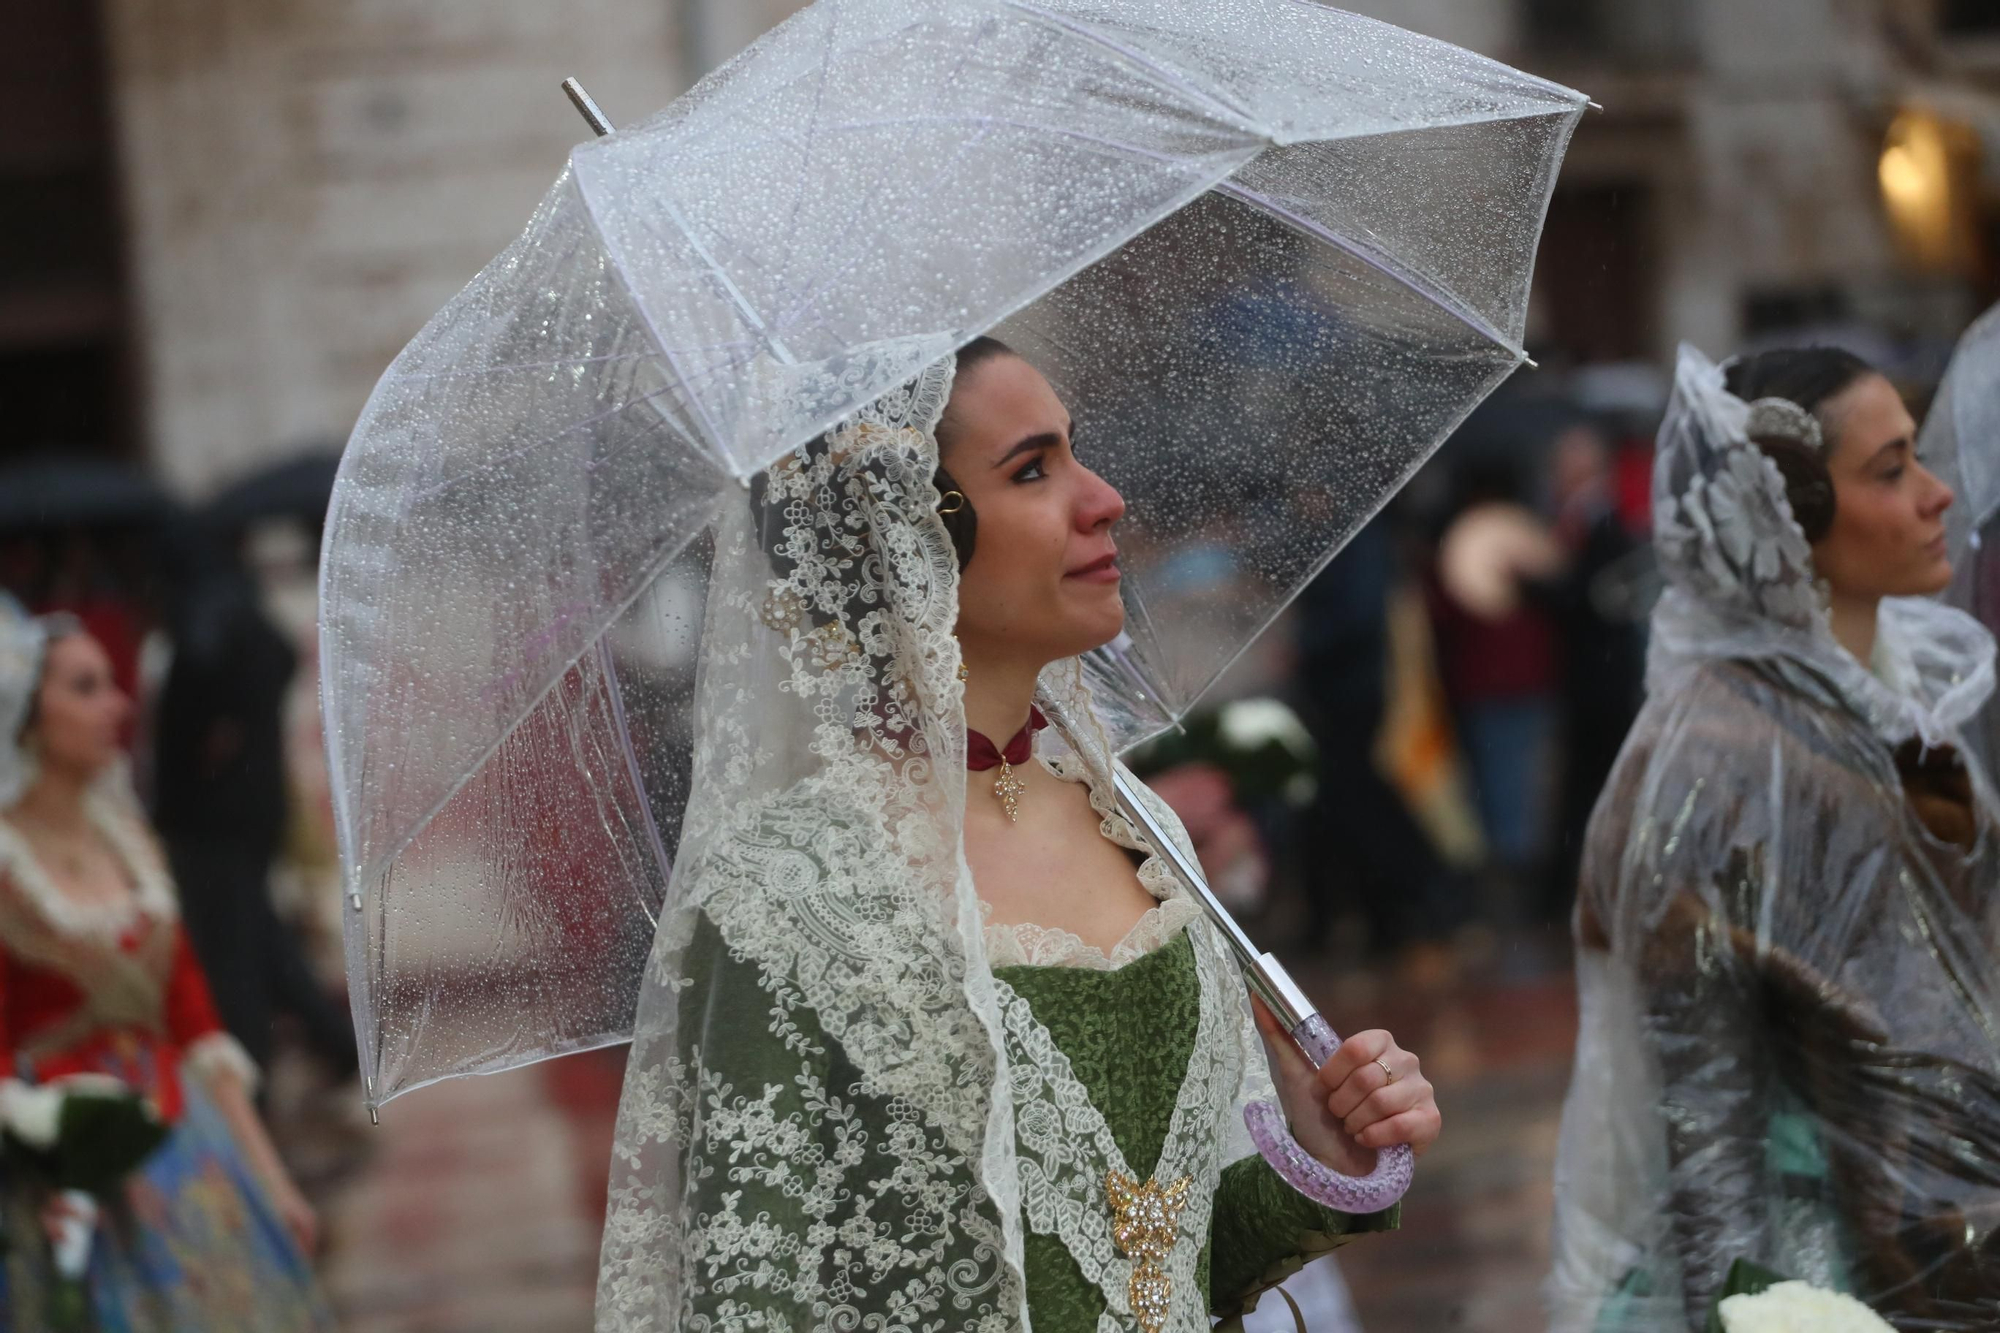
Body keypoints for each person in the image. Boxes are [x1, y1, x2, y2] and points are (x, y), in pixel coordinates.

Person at [596, 339, 1442, 1331]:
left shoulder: (1138, 827)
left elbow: (1164, 1265)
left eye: (1073, 452)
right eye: (1032, 469)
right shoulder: (793, 890)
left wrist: (1323, 1163)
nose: (1105, 499)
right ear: (901, 532)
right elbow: (744, 1304)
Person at [1549, 346, 2000, 1331]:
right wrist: (1749, 1311)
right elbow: (1702, 1118)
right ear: (1783, 515)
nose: (1933, 497)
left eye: (1916, 458)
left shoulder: (1892, 696)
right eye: (1887, 471)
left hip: (1955, 1229)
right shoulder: (1705, 765)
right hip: (1822, 1270)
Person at [0, 603, 331, 1330]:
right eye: (85, 687)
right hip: (56, 1183)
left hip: (187, 1146)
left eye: (112, 684)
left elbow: (195, 1023)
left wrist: (273, 1181)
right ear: (24, 713)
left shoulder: (131, 842)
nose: (115, 704)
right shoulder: (5, 865)